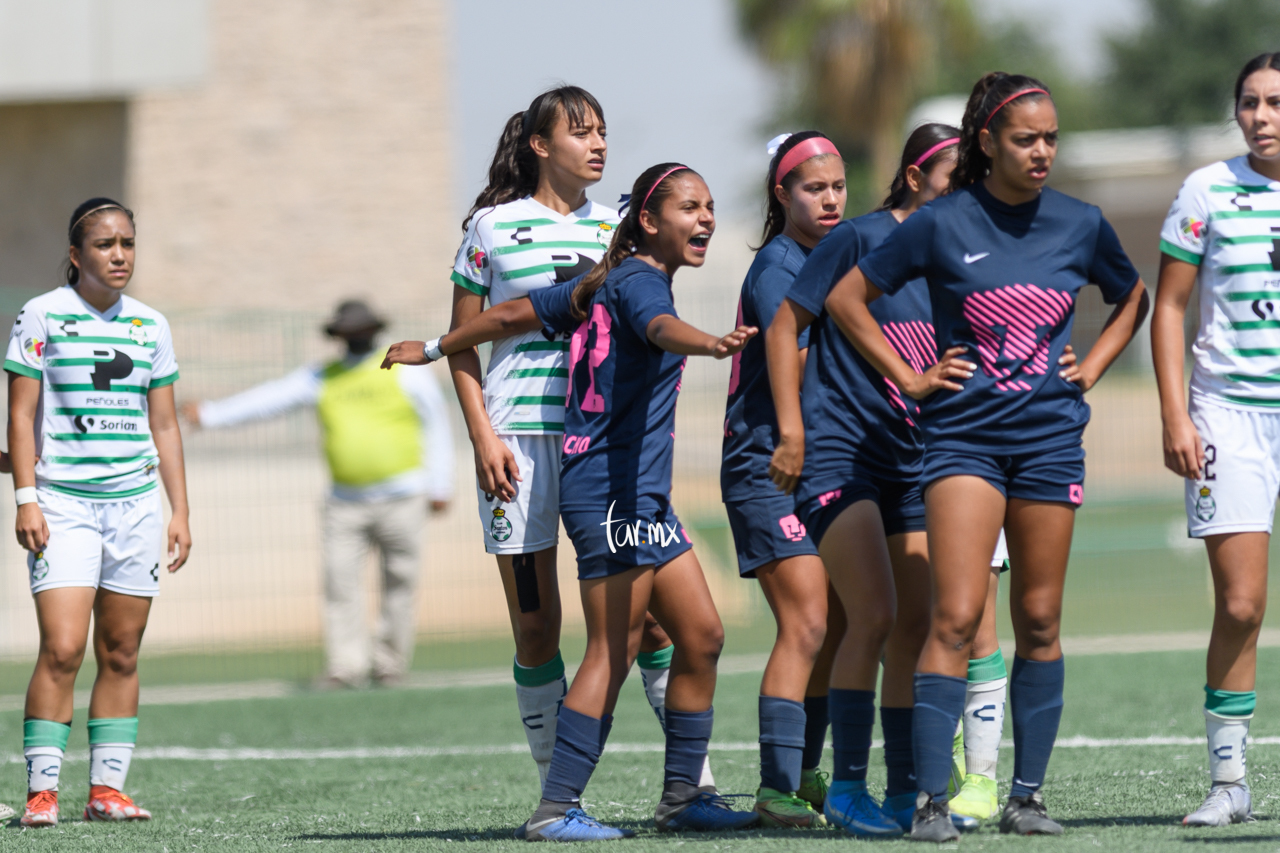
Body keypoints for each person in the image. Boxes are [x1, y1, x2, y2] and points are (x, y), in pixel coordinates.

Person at [389, 163, 760, 840]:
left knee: (701, 633)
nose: (704, 218)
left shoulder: (606, 281)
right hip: (611, 495)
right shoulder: (643, 283)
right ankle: (555, 807)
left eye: (709, 207)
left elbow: (508, 314)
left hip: (643, 498)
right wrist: (707, 342)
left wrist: (436, 345)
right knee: (611, 650)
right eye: (688, 207)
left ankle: (683, 797)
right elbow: (659, 328)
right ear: (648, 221)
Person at [823, 73, 1148, 841]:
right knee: (958, 613)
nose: (1042, 152)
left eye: (1051, 139)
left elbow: (1131, 293)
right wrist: (908, 375)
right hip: (962, 440)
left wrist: (1093, 365)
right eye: (1026, 139)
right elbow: (845, 298)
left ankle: (1026, 796)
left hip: (1048, 439)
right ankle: (933, 803)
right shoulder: (940, 221)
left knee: (1038, 617)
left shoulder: (1080, 221)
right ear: (986, 144)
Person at [439, 85, 693, 789]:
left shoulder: (622, 226)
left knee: (651, 622)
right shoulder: (491, 228)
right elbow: (463, 341)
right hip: (515, 443)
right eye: (581, 132)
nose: (599, 143)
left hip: (602, 444)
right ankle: (557, 787)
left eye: (604, 131)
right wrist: (482, 436)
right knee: (536, 627)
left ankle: (691, 780)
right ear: (541, 146)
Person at [768, 123, 967, 837]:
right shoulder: (858, 238)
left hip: (913, 459)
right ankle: (847, 786)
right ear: (914, 178)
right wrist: (791, 430)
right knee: (875, 614)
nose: (968, 186)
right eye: (955, 173)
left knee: (918, 620)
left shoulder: (962, 254)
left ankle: (908, 792)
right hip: (838, 455)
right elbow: (784, 323)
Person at [5, 197, 192, 827]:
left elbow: (164, 426)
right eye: (107, 245)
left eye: (128, 244)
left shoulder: (151, 325)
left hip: (135, 506)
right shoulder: (42, 315)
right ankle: (42, 792)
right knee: (61, 647)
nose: (119, 256)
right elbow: (21, 416)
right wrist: (26, 497)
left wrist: (179, 511)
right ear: (75, 254)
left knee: (121, 650)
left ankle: (107, 791)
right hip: (61, 505)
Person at [182, 299, 454, 687]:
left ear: (374, 331)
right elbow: (269, 400)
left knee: (400, 583)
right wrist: (209, 414)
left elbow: (436, 425)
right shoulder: (322, 376)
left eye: (361, 329)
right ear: (338, 336)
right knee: (340, 583)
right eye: (349, 330)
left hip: (404, 497)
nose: (355, 336)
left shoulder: (408, 373)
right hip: (344, 503)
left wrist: (440, 484)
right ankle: (346, 667)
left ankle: (389, 663)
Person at [1153, 51, 1280, 828]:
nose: (1262, 116)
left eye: (1274, 102)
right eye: (1250, 103)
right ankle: (1230, 782)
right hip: (1228, 416)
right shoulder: (1207, 190)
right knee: (1240, 601)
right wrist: (1177, 415)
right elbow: (1170, 307)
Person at [720, 131, 847, 828]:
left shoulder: (832, 256)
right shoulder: (778, 268)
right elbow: (789, 368)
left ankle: (801, 771)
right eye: (812, 188)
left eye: (836, 185)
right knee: (807, 619)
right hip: (766, 463)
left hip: (818, 463)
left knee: (837, 624)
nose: (828, 198)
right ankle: (774, 786)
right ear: (782, 194)